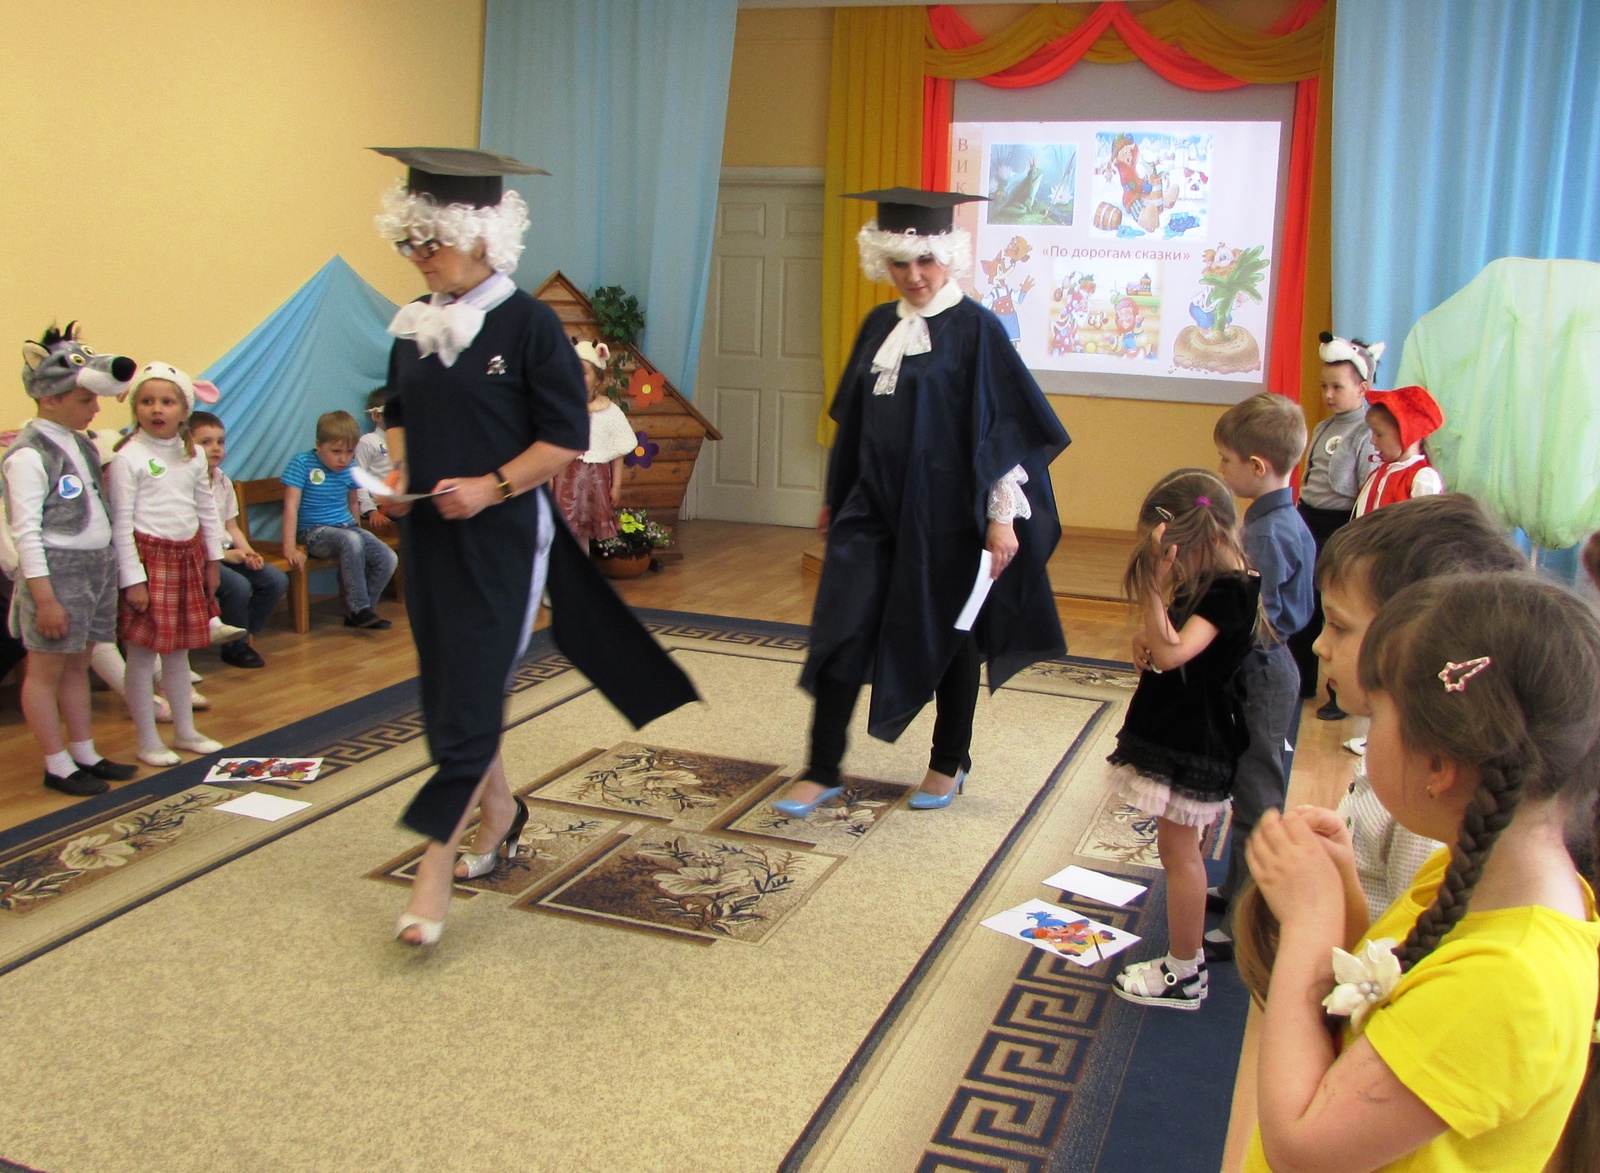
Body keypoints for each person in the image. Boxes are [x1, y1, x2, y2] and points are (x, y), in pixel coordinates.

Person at [369, 146, 695, 946]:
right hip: (429, 536)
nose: (418, 256)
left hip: (505, 539)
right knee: (450, 686)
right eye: (409, 242)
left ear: (481, 238)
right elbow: (396, 409)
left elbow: (564, 437)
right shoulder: (414, 324)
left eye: (430, 241)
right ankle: (501, 811)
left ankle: (434, 865)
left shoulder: (530, 325)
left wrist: (491, 486)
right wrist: (400, 472)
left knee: (474, 688)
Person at [1241, 573, 1600, 1172]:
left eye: (1376, 716)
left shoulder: (1509, 980)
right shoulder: (1476, 876)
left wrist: (1309, 923)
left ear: (1438, 766)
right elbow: (1390, 998)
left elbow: (1301, 1151)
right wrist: (1342, 892)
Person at [776, 187, 1069, 819]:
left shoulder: (978, 329)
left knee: (950, 635)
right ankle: (821, 767)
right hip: (872, 507)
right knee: (841, 627)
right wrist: (835, 497)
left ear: (948, 258)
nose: (913, 275)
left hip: (947, 516)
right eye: (899, 262)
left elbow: (1006, 430)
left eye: (926, 261)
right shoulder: (878, 326)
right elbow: (855, 422)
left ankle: (949, 760)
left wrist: (1001, 518)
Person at [1308, 495, 1525, 919]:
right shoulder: (1400, 757)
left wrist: (1307, 917)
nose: (1320, 645)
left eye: (1339, 626)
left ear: (1416, 639)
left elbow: (1398, 947)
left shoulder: (1425, 812)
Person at [1110, 469, 1261, 1009]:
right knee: (1180, 849)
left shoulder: (1228, 590)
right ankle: (1184, 959)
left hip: (1193, 738)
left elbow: (1175, 653)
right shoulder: (1217, 580)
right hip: (1182, 727)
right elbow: (1172, 641)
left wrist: (1153, 588)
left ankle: (1183, 972)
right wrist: (1145, 634)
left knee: (1180, 854)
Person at [2, 323, 139, 795]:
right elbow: (26, 533)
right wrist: (45, 599)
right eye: (85, 400)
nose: (95, 407)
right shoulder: (27, 455)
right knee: (46, 671)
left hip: (94, 569)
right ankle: (56, 763)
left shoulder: (81, 442)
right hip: (56, 575)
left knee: (79, 664)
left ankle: (84, 751)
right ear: (49, 398)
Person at [1205, 393, 1316, 961]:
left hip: (1264, 672)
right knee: (1246, 783)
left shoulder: (1269, 534)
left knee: (1258, 795)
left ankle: (1248, 917)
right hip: (1263, 667)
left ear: (1256, 465)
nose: (1220, 468)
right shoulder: (1272, 519)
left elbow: (1253, 617)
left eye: (1225, 460)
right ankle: (1235, 887)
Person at [110, 362, 228, 767]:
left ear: (183, 410)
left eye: (166, 401)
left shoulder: (192, 456)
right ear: (136, 408)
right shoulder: (129, 457)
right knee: (143, 656)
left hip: (186, 558)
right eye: (147, 401)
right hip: (149, 562)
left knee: (179, 653)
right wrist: (133, 579)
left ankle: (185, 730)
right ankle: (147, 740)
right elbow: (121, 524)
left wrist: (212, 560)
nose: (156, 409)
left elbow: (206, 510)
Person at [1292, 332, 1384, 721]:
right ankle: (1299, 679)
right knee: (1304, 602)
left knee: (1334, 608)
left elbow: (1364, 490)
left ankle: (1338, 691)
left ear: (1363, 388)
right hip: (1309, 519)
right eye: (1324, 387)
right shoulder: (1324, 427)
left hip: (1339, 526)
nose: (1328, 395)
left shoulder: (1366, 433)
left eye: (1338, 387)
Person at [280, 410, 397, 630]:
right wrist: (289, 547)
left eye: (349, 452)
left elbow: (353, 503)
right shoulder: (302, 463)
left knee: (388, 557)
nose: (343, 458)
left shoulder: (350, 468)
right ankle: (359, 608)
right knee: (350, 540)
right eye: (336, 451)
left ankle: (361, 612)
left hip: (347, 528)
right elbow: (290, 507)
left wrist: (360, 533)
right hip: (314, 532)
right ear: (319, 445)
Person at [189, 411, 288, 668]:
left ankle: (240, 635)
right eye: (206, 442)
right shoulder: (185, 483)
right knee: (238, 586)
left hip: (227, 551)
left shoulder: (223, 481)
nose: (216, 448)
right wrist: (223, 556)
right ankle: (236, 647)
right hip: (200, 557)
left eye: (220, 442)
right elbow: (189, 535)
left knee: (275, 580)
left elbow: (231, 526)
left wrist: (248, 552)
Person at [550, 340, 634, 543]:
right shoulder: (561, 407)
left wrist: (616, 485)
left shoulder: (610, 412)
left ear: (598, 379)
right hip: (565, 479)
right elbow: (550, 445)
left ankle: (581, 561)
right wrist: (548, 477)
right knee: (562, 530)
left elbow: (618, 451)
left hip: (595, 482)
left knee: (584, 533)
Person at [1353, 384, 1444, 518]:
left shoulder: (1422, 478)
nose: (1372, 441)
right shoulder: (1378, 473)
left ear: (1407, 434)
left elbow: (1424, 526)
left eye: (1379, 434)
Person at [353, 387, 396, 539]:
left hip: (402, 501)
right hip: (381, 505)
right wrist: (371, 511)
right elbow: (359, 481)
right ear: (377, 415)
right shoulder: (368, 442)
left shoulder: (403, 441)